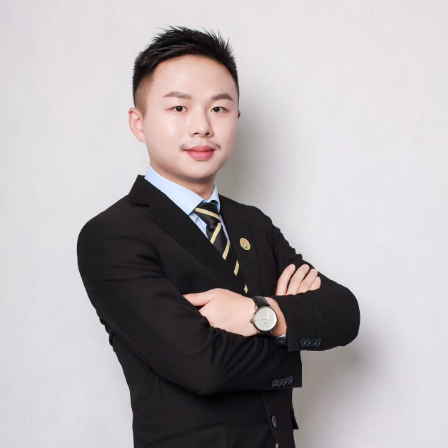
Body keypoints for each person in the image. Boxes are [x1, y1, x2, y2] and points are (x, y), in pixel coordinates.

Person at [76, 25, 360, 448]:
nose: (202, 127)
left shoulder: (253, 225)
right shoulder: (112, 236)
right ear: (139, 122)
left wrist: (256, 312)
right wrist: (290, 331)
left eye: (219, 108)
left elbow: (344, 313)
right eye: (179, 108)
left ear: (236, 119)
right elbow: (204, 366)